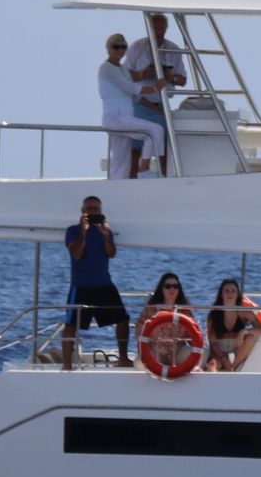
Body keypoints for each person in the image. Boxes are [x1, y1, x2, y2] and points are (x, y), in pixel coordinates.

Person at [62, 195, 131, 369]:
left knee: (123, 320)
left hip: (104, 285)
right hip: (81, 287)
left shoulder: (105, 232)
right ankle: (67, 364)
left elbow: (112, 253)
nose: (93, 212)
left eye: (96, 210)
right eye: (89, 209)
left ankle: (123, 358)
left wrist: (106, 235)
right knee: (71, 325)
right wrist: (83, 233)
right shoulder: (72, 231)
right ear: (82, 211)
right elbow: (76, 254)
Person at [123, 13, 186, 177]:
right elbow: (125, 75)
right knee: (135, 147)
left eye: (161, 27)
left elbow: (183, 80)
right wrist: (144, 74)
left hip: (161, 105)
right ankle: (133, 179)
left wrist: (169, 76)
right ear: (149, 27)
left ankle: (163, 178)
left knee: (163, 147)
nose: (158, 30)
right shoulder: (137, 47)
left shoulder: (173, 49)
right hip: (140, 103)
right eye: (155, 27)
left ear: (166, 28)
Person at [97, 33, 163, 180]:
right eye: (116, 47)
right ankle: (144, 170)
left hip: (124, 118)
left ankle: (115, 187)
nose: (120, 50)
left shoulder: (123, 70)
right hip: (115, 117)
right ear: (109, 48)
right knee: (154, 131)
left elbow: (136, 97)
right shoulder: (105, 69)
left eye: (123, 47)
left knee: (121, 161)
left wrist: (155, 108)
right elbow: (130, 88)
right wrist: (156, 88)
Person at [136, 272, 197, 370]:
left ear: (179, 289)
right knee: (139, 363)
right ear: (162, 289)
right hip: (155, 353)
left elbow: (193, 336)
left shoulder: (185, 311)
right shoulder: (150, 310)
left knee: (202, 354)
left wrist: (197, 354)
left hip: (177, 353)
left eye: (175, 286)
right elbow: (139, 335)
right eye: (167, 286)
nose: (172, 289)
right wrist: (148, 353)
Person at [206, 278, 261, 372]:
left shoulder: (245, 313)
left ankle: (232, 367)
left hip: (237, 351)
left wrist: (244, 332)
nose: (230, 294)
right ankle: (215, 370)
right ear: (221, 294)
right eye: (227, 291)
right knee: (216, 364)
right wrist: (223, 358)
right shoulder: (214, 314)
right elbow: (212, 342)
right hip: (218, 351)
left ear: (237, 295)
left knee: (250, 338)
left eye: (233, 291)